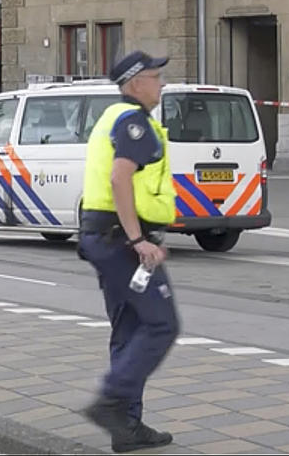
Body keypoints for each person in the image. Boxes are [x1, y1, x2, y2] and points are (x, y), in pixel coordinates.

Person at [78, 51, 180, 453]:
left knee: (129, 329)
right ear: (135, 83)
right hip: (120, 240)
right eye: (156, 77)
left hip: (102, 235)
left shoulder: (113, 116)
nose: (162, 84)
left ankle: (127, 428)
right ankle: (111, 402)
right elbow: (121, 178)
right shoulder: (134, 121)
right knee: (161, 324)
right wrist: (139, 241)